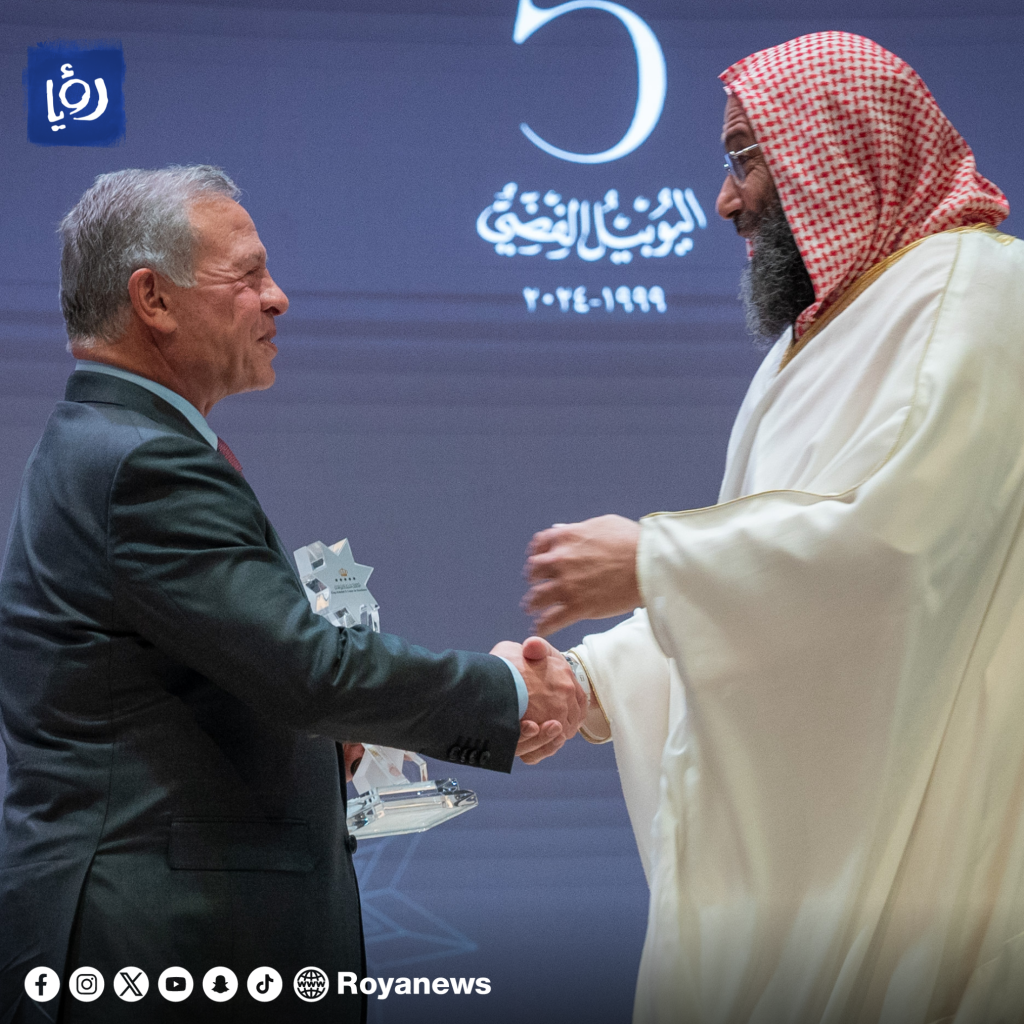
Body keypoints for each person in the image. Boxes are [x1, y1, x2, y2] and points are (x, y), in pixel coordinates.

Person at [0, 165, 586, 1024]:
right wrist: (506, 693)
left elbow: (216, 680)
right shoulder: (143, 464)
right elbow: (306, 672)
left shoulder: (113, 443)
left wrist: (316, 741)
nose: (278, 298)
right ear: (152, 298)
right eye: (247, 275)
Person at [522, 31, 1024, 1023]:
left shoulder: (980, 295)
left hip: (937, 845)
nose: (725, 200)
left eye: (745, 158)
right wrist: (590, 682)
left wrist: (657, 560)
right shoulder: (826, 333)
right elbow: (777, 604)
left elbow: (900, 557)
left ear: (838, 148)